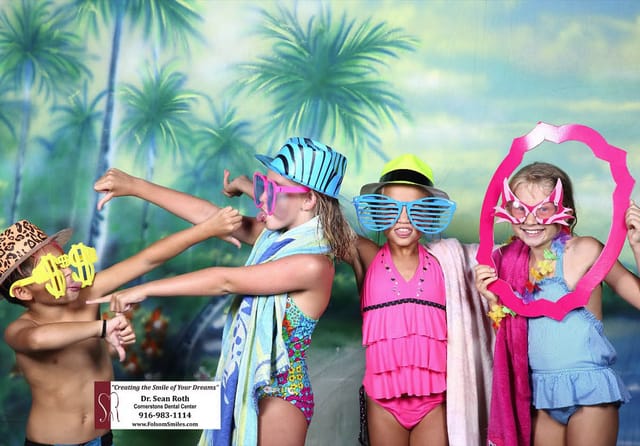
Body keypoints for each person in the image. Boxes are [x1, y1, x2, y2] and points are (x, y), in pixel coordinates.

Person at [89, 137, 355, 446]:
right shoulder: (274, 239)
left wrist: (145, 289)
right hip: (248, 385)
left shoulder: (312, 264)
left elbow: (225, 280)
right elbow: (212, 218)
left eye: (273, 190)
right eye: (262, 185)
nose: (261, 197)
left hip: (281, 396)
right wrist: (135, 186)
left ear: (308, 200)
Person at [1, 210, 241, 446]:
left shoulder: (88, 294)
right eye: (53, 270)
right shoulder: (20, 329)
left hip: (103, 437)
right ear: (22, 291)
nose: (68, 272)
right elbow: (37, 339)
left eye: (65, 262)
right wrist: (102, 328)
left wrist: (207, 229)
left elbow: (147, 259)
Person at [475, 161, 640, 446]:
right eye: (519, 208)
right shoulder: (508, 262)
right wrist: (492, 301)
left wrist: (638, 245)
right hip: (541, 392)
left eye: (544, 209)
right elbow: (511, 339)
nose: (530, 220)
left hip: (589, 389)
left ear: (565, 211)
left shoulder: (584, 250)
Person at [345, 154, 495, 446]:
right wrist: (261, 191)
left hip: (434, 405)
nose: (403, 218)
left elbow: (512, 258)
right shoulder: (367, 255)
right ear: (377, 211)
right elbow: (316, 230)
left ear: (430, 214)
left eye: (415, 209)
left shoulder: (447, 264)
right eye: (391, 208)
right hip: (382, 405)